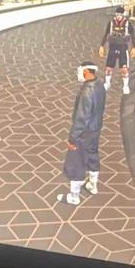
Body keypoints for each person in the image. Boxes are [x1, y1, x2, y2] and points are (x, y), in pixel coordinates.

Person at [58, 62, 105, 205]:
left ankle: (74, 197)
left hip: (83, 133)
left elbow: (81, 118)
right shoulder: (100, 85)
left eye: (81, 71)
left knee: (76, 162)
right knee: (92, 155)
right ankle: (92, 185)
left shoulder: (87, 92)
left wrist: (72, 138)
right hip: (95, 129)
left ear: (86, 72)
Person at [99, 5, 135, 94]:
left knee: (124, 69)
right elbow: (106, 34)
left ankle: (125, 86)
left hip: (123, 48)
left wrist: (134, 47)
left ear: (123, 15)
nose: (119, 16)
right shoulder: (111, 23)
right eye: (117, 14)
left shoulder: (127, 24)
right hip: (112, 48)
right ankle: (107, 83)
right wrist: (101, 45)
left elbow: (133, 35)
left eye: (120, 14)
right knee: (108, 68)